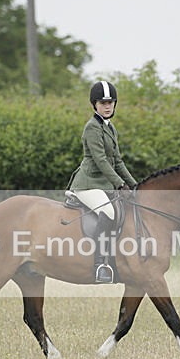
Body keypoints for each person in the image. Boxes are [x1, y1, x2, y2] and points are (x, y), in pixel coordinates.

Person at [67, 80, 138, 283]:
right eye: (102, 102)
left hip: (102, 185)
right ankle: (100, 265)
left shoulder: (110, 127)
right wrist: (119, 184)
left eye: (110, 102)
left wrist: (134, 185)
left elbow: (117, 161)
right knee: (108, 212)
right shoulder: (92, 128)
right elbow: (101, 161)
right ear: (94, 104)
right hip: (88, 184)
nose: (107, 106)